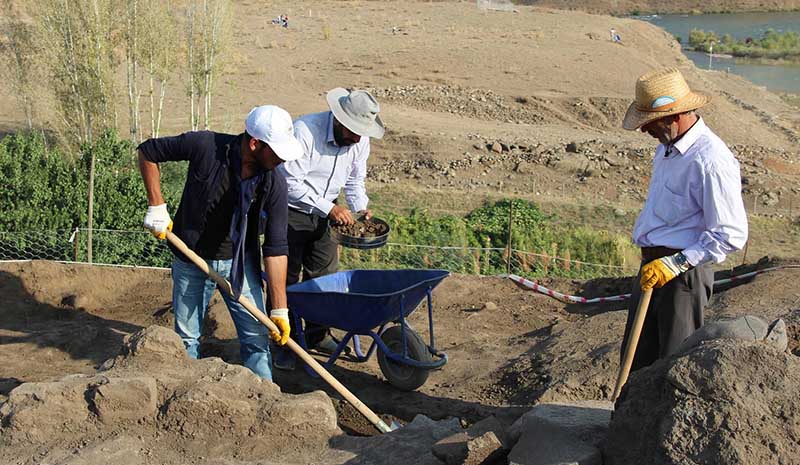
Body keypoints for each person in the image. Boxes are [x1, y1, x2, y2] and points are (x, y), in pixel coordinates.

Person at [138, 105, 303, 382]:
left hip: (239, 264)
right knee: (187, 338)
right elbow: (148, 151)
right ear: (255, 144)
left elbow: (276, 248)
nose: (282, 161)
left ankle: (265, 400)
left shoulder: (274, 182)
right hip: (190, 256)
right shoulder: (205, 146)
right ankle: (185, 392)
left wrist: (279, 309)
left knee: (256, 338)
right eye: (277, 153)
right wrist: (156, 205)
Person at [619, 67, 748, 373]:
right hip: (652, 267)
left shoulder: (710, 160)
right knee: (637, 360)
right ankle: (628, 421)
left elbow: (730, 233)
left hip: (683, 274)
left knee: (672, 365)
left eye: (649, 123)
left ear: (673, 117)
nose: (644, 130)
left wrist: (675, 264)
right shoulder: (667, 149)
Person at [274, 88, 385, 370]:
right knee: (285, 280)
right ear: (339, 120)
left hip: (328, 212)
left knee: (324, 276)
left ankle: (316, 334)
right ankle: (281, 342)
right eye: (354, 131)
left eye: (362, 132)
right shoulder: (305, 131)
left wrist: (360, 209)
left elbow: (355, 182)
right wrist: (330, 208)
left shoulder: (360, 141)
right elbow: (290, 182)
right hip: (291, 210)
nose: (358, 138)